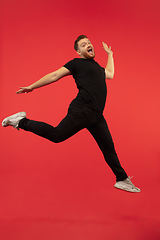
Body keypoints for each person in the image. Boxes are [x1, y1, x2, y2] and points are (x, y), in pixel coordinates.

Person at [2, 35, 140, 193]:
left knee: (108, 148)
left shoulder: (97, 68)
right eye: (83, 44)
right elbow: (54, 75)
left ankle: (122, 179)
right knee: (56, 135)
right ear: (78, 51)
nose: (88, 44)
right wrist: (32, 86)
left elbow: (110, 74)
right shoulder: (76, 63)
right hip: (82, 110)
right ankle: (20, 121)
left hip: (96, 115)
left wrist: (110, 54)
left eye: (89, 42)